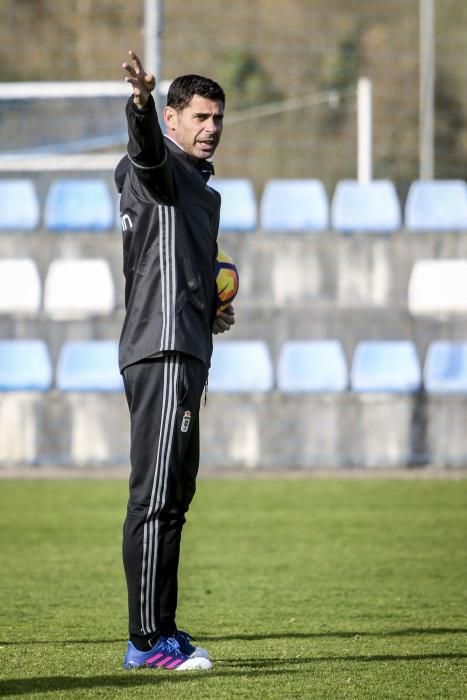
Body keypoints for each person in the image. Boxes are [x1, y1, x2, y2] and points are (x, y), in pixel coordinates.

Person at [115, 50, 235, 671]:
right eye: (199, 115)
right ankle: (145, 643)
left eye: (218, 117)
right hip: (161, 350)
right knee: (155, 496)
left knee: (175, 496)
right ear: (171, 117)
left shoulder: (200, 188)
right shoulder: (158, 168)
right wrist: (138, 104)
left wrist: (211, 301)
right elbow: (143, 153)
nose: (211, 126)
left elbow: (179, 264)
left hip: (186, 347)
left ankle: (162, 629)